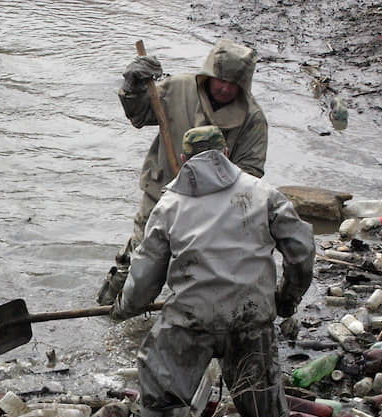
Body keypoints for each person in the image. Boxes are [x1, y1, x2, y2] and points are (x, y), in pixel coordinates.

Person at [110, 125, 314, 417]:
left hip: (192, 319)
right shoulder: (263, 193)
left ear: (182, 159)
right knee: (267, 416)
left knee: (157, 394)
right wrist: (287, 298)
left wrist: (123, 308)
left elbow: (144, 278)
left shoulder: (168, 206)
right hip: (251, 316)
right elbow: (302, 250)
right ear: (226, 153)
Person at [97, 39, 268, 304]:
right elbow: (139, 116)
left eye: (233, 83)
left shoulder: (252, 119)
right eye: (219, 79)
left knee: (203, 276)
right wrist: (133, 85)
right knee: (137, 259)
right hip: (161, 194)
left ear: (243, 84)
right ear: (208, 75)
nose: (224, 87)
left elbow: (250, 175)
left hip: (214, 212)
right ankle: (110, 308)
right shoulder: (177, 89)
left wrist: (210, 194)